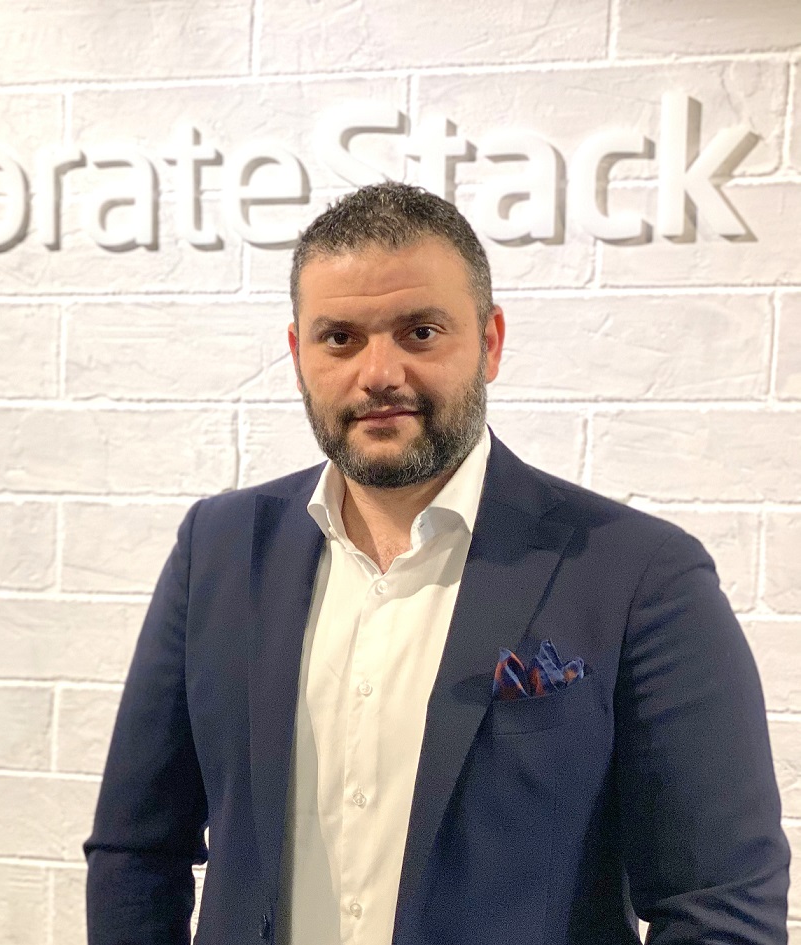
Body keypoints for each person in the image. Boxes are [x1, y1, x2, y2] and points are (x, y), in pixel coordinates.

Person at [83, 182, 789, 945]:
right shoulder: (218, 549)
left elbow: (720, 905)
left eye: (419, 332)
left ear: (490, 341)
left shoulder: (639, 576)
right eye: (340, 338)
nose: (379, 372)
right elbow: (136, 851)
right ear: (297, 355)